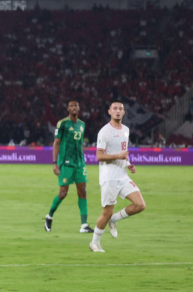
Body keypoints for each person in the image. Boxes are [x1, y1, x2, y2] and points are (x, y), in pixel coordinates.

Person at [89, 100, 146, 252]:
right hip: (109, 178)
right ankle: (94, 242)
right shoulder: (104, 132)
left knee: (140, 205)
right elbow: (99, 156)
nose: (118, 111)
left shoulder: (126, 130)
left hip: (123, 176)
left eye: (121, 108)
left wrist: (128, 164)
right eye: (115, 108)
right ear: (109, 112)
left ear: (124, 112)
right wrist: (119, 156)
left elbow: (124, 153)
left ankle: (114, 219)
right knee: (106, 211)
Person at [44, 100, 94, 233]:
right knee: (63, 193)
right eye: (71, 106)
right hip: (66, 163)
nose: (74, 108)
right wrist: (55, 163)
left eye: (76, 106)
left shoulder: (82, 124)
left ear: (79, 109)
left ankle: (84, 225)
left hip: (79, 163)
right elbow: (56, 143)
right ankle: (49, 216)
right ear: (68, 109)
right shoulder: (63, 124)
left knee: (82, 191)